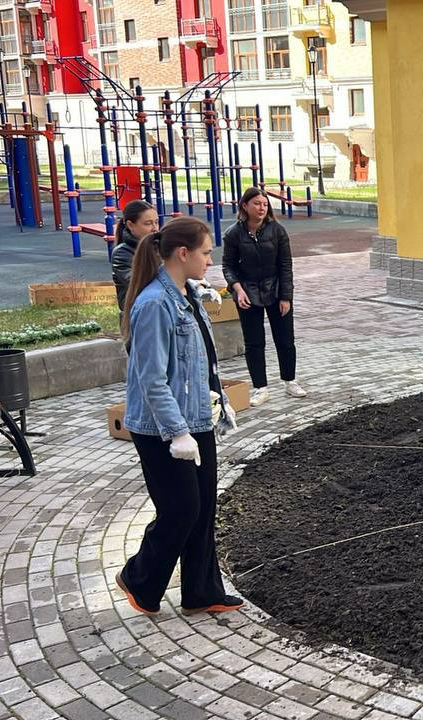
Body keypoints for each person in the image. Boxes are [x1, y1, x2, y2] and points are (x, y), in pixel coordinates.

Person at [115, 215, 243, 616]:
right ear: (182, 253)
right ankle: (138, 577)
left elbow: (197, 363)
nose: (210, 261)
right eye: (205, 254)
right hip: (162, 428)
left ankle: (201, 591)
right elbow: (151, 379)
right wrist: (176, 433)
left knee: (204, 506)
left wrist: (217, 400)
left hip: (196, 419)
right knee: (181, 509)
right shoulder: (153, 304)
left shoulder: (185, 292)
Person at [222, 187, 305, 406]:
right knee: (254, 342)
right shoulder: (233, 233)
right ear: (245, 206)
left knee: (285, 339)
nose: (261, 208)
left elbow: (286, 266)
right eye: (257, 204)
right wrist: (237, 289)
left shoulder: (277, 231)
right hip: (248, 292)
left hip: (276, 290)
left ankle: (290, 380)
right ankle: (260, 387)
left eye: (265, 204)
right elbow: (228, 266)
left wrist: (286, 296)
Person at [111, 200, 160, 312]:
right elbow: (138, 283)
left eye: (156, 222)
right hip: (136, 313)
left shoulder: (159, 246)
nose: (155, 228)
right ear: (130, 225)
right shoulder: (122, 253)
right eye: (148, 223)